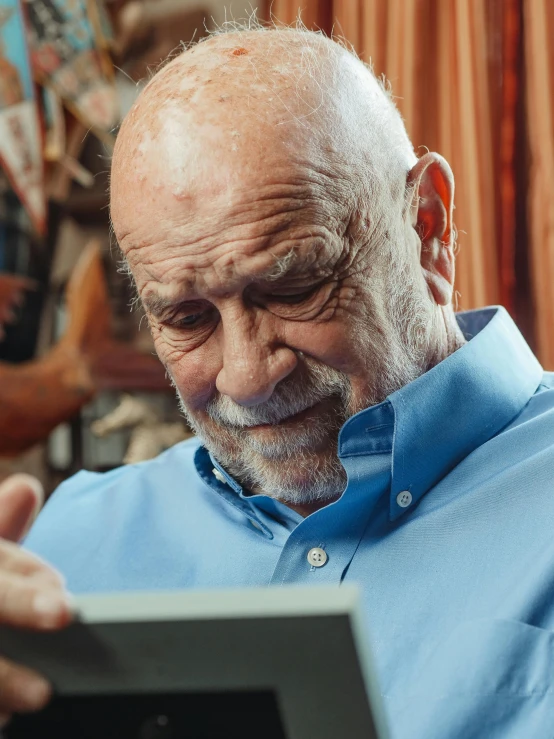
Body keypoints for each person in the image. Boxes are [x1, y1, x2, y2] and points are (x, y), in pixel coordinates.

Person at [3, 25, 554, 738]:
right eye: (187, 316)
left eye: (293, 287)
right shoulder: (67, 545)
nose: (248, 375)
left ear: (429, 227)